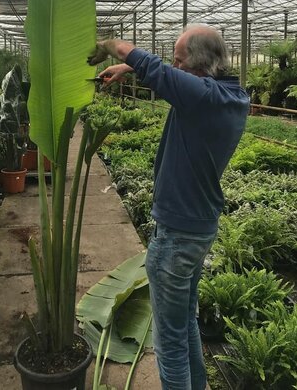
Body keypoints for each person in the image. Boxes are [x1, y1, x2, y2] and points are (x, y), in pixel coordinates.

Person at [88, 24, 249, 390]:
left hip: (176, 237)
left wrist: (113, 47)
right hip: (199, 229)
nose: (173, 66)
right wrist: (130, 69)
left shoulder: (202, 98)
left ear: (198, 67)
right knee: (185, 324)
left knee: (169, 343)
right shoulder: (228, 96)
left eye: (179, 60)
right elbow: (168, 75)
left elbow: (160, 71)